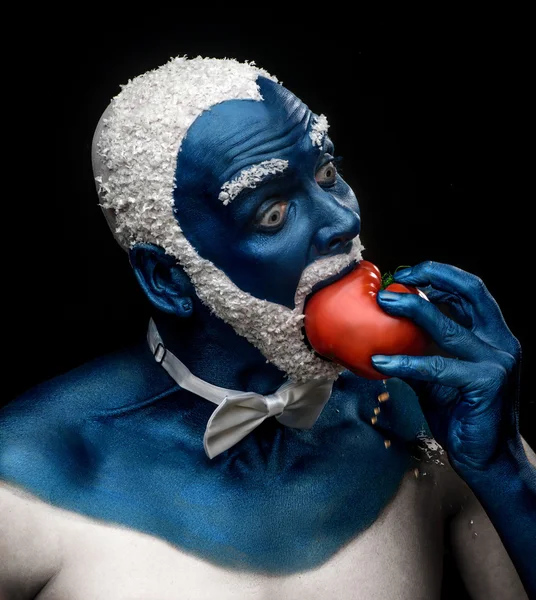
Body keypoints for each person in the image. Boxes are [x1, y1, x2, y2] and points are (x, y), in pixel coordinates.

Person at [0, 55, 534, 600]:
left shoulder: (428, 422)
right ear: (169, 281)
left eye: (328, 173)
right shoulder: (22, 480)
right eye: (273, 213)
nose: (342, 220)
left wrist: (503, 464)